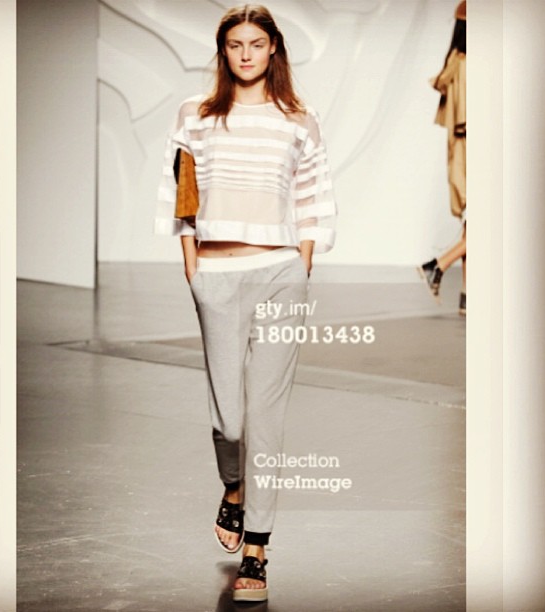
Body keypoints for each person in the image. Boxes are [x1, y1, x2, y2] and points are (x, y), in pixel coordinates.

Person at [154, 4, 337, 603]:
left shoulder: (299, 118)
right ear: (223, 51)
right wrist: (192, 263)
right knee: (228, 419)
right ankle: (234, 488)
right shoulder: (196, 115)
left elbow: (313, 194)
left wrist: (302, 261)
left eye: (257, 44)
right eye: (236, 44)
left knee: (268, 416)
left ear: (273, 48)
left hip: (281, 273)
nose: (246, 54)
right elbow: (180, 192)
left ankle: (256, 549)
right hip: (217, 275)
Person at [418, 0, 466, 315]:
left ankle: (466, 297)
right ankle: (437, 265)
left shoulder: (455, 61)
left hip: (461, 154)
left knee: (472, 227)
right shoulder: (469, 63)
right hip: (474, 152)